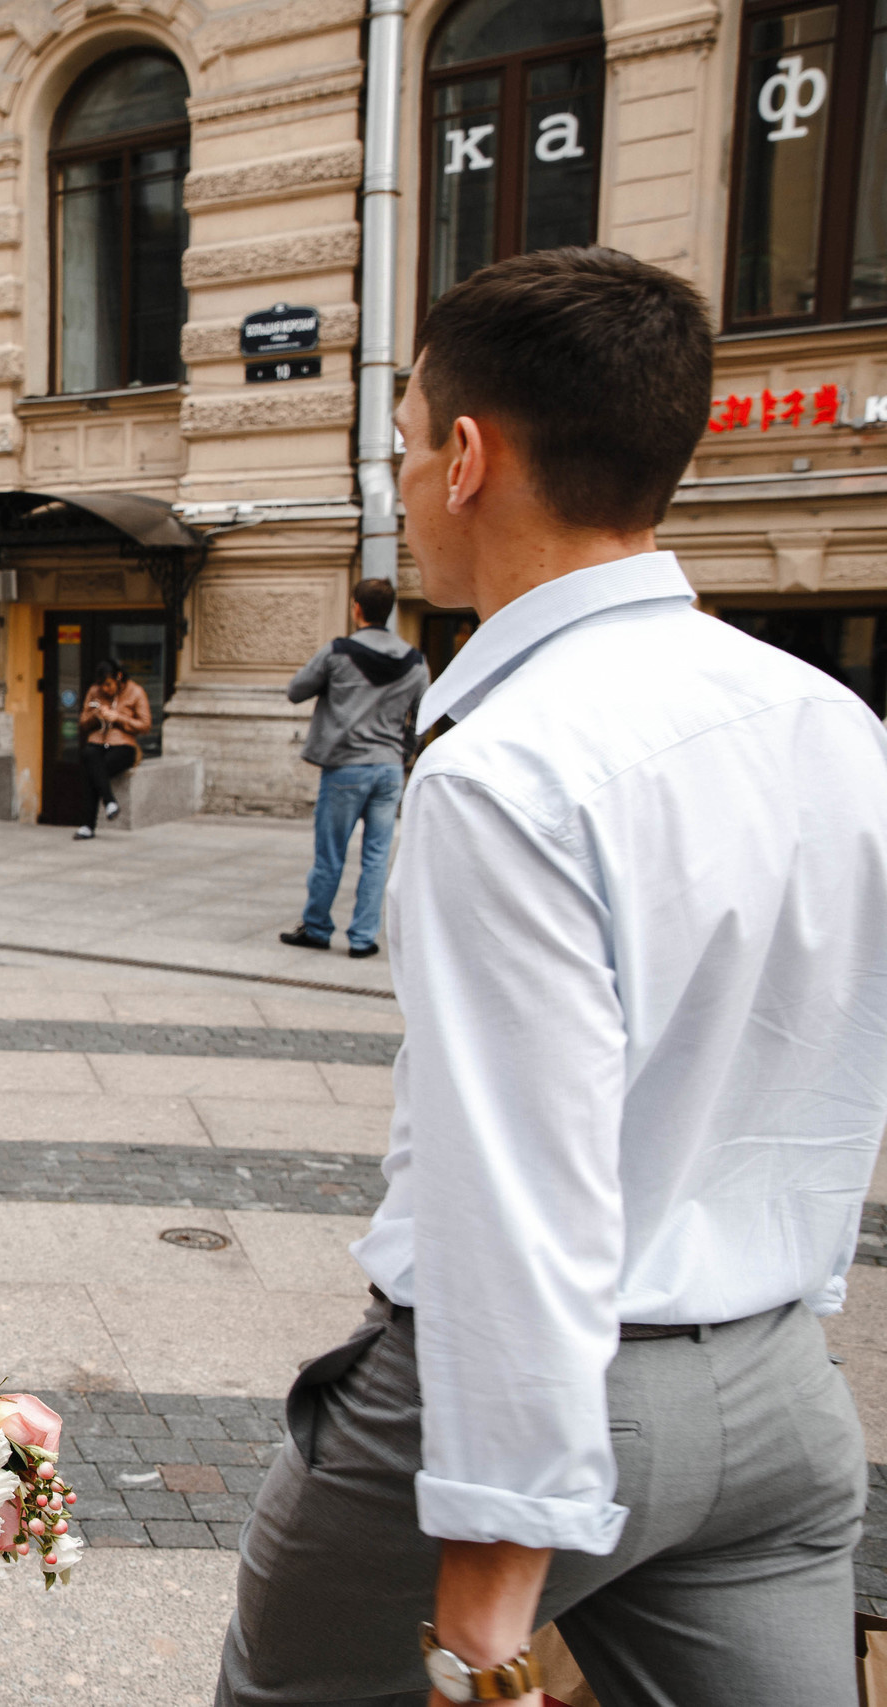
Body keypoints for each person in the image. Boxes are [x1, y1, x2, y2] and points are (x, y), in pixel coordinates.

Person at [216, 249, 887, 1707]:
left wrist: (492, 1568)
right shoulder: (832, 720)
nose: (401, 485)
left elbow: (516, 1184)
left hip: (541, 1400)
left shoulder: (510, 769)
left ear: (467, 458)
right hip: (780, 1387)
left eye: (405, 447)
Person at [277, 578, 428, 960]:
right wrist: (404, 752)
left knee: (330, 855)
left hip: (345, 767)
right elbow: (422, 716)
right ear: (388, 611)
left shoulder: (338, 652)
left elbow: (295, 691)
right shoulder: (415, 661)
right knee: (377, 857)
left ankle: (316, 928)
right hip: (389, 768)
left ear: (356, 608)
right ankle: (362, 938)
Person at [71, 657, 149, 840]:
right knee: (89, 754)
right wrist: (96, 715)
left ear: (118, 677)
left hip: (123, 745)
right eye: (102, 685)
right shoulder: (94, 692)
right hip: (98, 742)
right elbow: (83, 722)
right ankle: (110, 802)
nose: (105, 689)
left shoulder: (135, 692)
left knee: (94, 771)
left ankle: (88, 825)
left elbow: (145, 725)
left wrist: (118, 718)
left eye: (108, 684)